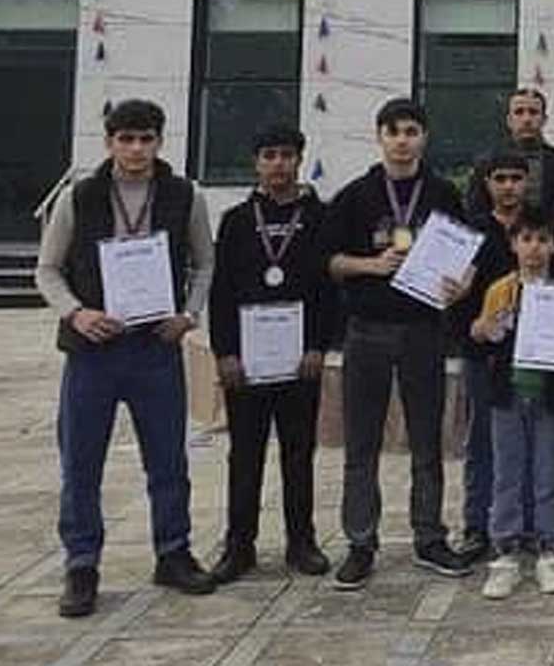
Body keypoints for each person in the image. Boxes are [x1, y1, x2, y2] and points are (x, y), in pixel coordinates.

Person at [37, 99, 216, 617]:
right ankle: (82, 564)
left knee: (168, 459)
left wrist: (189, 315)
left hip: (155, 347)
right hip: (93, 351)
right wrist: (76, 313)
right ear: (109, 142)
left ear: (160, 141)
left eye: (146, 139)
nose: (136, 149)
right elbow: (47, 270)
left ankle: (173, 552)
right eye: (126, 139)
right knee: (81, 462)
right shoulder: (79, 196)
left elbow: (205, 263)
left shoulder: (184, 195)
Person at [320, 97, 477, 589]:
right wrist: (371, 265)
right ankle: (360, 543)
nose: (402, 141)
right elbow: (330, 262)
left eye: (411, 131)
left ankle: (429, 537)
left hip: (423, 331)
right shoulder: (355, 195)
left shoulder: (443, 193)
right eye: (394, 132)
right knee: (361, 443)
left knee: (427, 441)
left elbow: (467, 254)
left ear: (424, 137)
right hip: (367, 329)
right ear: (380, 137)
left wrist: (463, 285)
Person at [206, 124, 335, 585]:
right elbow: (221, 291)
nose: (278, 164)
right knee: (245, 454)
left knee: (298, 453)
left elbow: (328, 289)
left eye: (286, 154)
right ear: (256, 163)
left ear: (299, 159)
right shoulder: (237, 221)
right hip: (248, 360)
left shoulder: (320, 217)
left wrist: (319, 344)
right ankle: (239, 545)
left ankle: (302, 541)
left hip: (301, 359)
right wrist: (225, 353)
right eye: (268, 155)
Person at [466, 205, 554, 598]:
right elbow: (483, 334)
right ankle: (506, 552)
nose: (534, 248)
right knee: (507, 473)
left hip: (551, 395)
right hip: (508, 394)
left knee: (548, 472)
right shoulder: (500, 289)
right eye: (526, 239)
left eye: (542, 240)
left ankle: (547, 547)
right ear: (513, 244)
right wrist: (482, 328)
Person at [454, 149, 542, 565]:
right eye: (500, 178)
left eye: (516, 178)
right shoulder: (470, 231)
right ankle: (477, 524)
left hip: (535, 354)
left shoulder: (539, 227)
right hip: (483, 353)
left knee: (532, 438)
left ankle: (528, 523)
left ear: (527, 182)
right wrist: (468, 325)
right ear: (487, 183)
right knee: (481, 440)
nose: (508, 186)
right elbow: (453, 294)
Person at [467, 87, 554, 216]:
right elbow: (475, 213)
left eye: (533, 112)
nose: (526, 119)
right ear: (509, 121)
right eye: (519, 112)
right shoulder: (485, 164)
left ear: (544, 120)